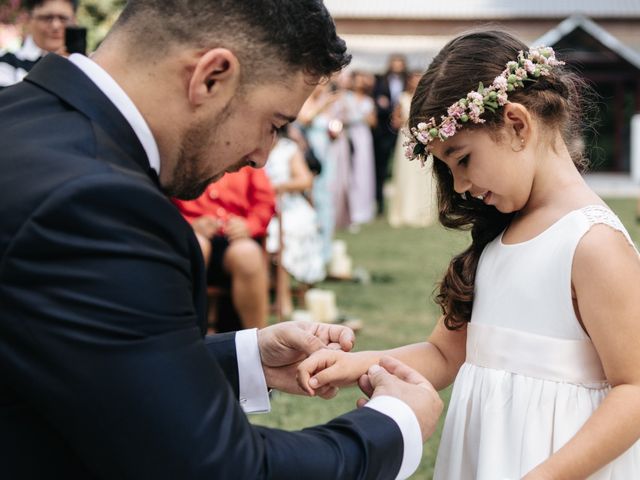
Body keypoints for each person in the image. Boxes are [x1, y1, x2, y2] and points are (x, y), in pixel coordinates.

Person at [0, 1, 444, 479]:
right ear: (211, 77)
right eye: (273, 124)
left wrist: (246, 359)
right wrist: (393, 425)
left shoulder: (17, 118)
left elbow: (70, 355)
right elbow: (219, 469)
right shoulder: (99, 203)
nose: (260, 157)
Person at [298, 30, 640, 479]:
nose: (458, 185)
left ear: (517, 125)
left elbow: (633, 389)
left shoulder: (593, 244)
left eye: (462, 159)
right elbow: (444, 354)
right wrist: (355, 364)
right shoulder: (501, 234)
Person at [174, 166, 276, 330]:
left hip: (234, 239)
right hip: (194, 234)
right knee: (198, 245)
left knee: (247, 254)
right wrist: (190, 225)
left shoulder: (248, 161)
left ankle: (257, 339)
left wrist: (249, 225)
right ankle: (185, 332)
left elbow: (264, 202)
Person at [265, 128, 326, 318]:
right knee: (273, 232)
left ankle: (284, 299)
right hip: (263, 210)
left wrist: (279, 187)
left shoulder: (288, 149)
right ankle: (274, 296)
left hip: (290, 206)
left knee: (285, 233)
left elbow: (305, 180)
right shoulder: (251, 150)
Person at [387, 71, 437, 228]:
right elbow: (394, 121)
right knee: (406, 174)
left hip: (423, 138)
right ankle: (405, 211)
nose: (416, 82)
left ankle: (423, 212)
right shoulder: (402, 98)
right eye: (413, 79)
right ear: (408, 81)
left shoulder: (428, 97)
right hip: (407, 138)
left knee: (423, 174)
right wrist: (405, 121)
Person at [0, 0, 77, 89]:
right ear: (29, 20)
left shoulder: (84, 64)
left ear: (75, 21)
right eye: (47, 18)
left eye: (63, 18)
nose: (55, 25)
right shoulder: (7, 62)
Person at [372, 54, 407, 215]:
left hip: (404, 131)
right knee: (381, 167)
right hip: (384, 130)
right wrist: (388, 110)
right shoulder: (381, 81)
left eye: (400, 63)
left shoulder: (408, 82)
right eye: (395, 63)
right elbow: (377, 103)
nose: (397, 66)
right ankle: (380, 204)